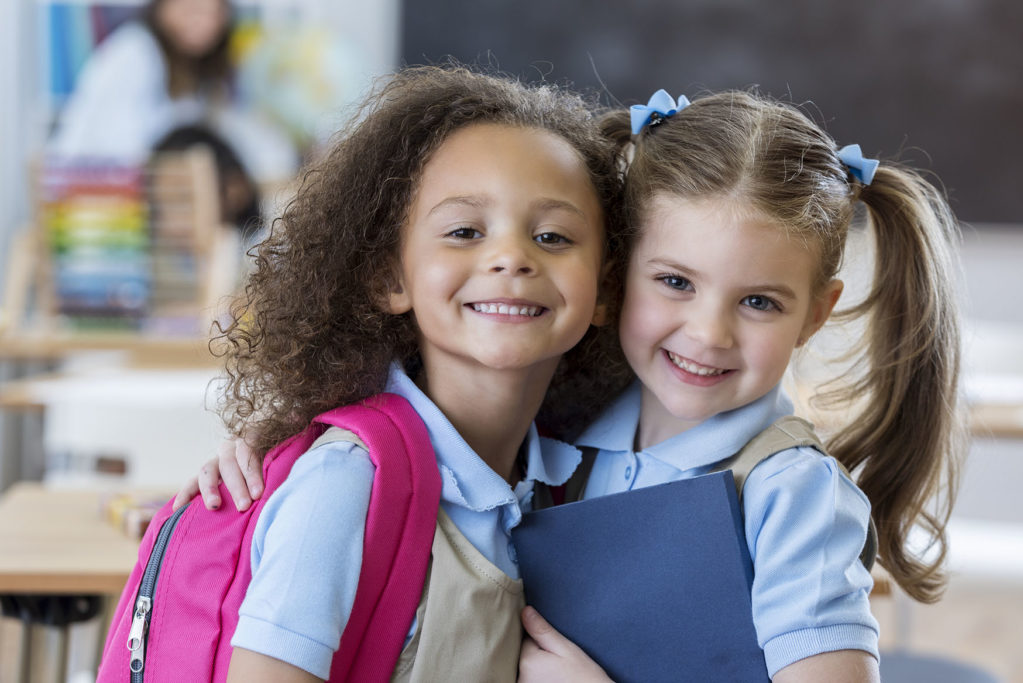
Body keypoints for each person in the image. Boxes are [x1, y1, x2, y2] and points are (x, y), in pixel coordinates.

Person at [184, 89, 966, 682]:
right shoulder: (554, 439)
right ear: (617, 280)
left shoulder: (789, 491)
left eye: (759, 301)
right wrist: (277, 449)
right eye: (675, 283)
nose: (709, 333)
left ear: (816, 312)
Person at [190, 64, 624, 681]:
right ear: (390, 278)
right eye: (464, 231)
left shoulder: (564, 479)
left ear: (605, 289)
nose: (510, 257)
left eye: (553, 236)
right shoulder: (346, 485)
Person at [48, 0, 297, 186]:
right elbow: (120, 156)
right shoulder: (134, 53)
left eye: (212, 10)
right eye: (189, 6)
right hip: (96, 207)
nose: (201, 18)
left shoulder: (198, 73)